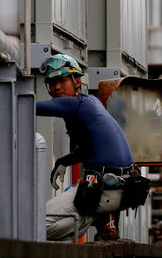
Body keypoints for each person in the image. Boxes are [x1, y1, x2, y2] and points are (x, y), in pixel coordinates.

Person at [36, 53, 135, 241]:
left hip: (104, 189)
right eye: (51, 82)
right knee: (47, 225)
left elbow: (29, 106)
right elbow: (90, 149)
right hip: (119, 186)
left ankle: (94, 214)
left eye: (62, 80)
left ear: (77, 81)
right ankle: (100, 215)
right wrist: (64, 161)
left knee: (37, 224)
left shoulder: (76, 104)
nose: (56, 86)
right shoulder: (91, 103)